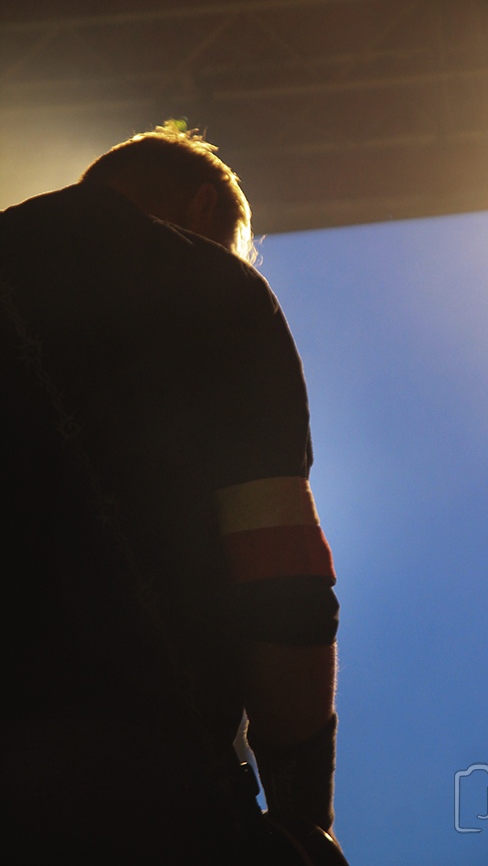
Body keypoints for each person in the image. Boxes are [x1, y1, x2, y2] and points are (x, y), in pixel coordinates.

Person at [0, 123, 342, 863]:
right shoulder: (213, 286)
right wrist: (301, 818)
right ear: (203, 209)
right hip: (140, 787)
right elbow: (280, 571)